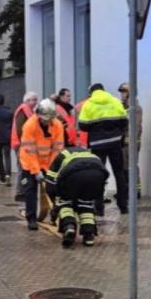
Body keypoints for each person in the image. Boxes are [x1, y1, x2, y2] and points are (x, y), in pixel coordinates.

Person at [77, 83, 129, 214]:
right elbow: (124, 121)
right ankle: (123, 206)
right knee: (119, 173)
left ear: (91, 92)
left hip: (98, 144)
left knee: (99, 174)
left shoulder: (88, 104)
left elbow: (82, 125)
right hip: (115, 143)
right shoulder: (115, 101)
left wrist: (95, 128)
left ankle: (99, 208)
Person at [45, 146, 108, 247]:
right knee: (85, 204)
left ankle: (69, 226)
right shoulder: (90, 154)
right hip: (97, 176)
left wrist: (55, 202)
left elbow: (50, 182)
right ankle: (89, 235)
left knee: (65, 202)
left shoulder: (61, 155)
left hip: (74, 176)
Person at [18, 99, 65, 231]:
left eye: (49, 120)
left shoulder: (57, 125)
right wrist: (36, 170)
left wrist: (50, 168)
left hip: (48, 163)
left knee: (53, 189)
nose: (47, 122)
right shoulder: (29, 126)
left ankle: (55, 216)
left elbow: (57, 149)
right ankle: (31, 218)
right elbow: (29, 151)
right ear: (39, 115)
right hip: (29, 163)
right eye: (45, 120)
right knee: (30, 190)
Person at [11, 91, 39, 199]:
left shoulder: (28, 110)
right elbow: (20, 130)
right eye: (33, 100)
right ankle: (20, 192)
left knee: (24, 169)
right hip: (20, 145)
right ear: (27, 100)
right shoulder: (23, 110)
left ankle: (23, 190)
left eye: (36, 99)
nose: (35, 102)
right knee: (22, 169)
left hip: (22, 144)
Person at [118, 82, 143, 199]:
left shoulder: (135, 108)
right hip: (122, 142)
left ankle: (136, 190)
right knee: (123, 166)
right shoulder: (121, 107)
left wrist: (131, 140)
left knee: (132, 165)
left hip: (131, 142)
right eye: (121, 92)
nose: (121, 95)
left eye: (124, 92)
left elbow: (136, 126)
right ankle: (126, 189)